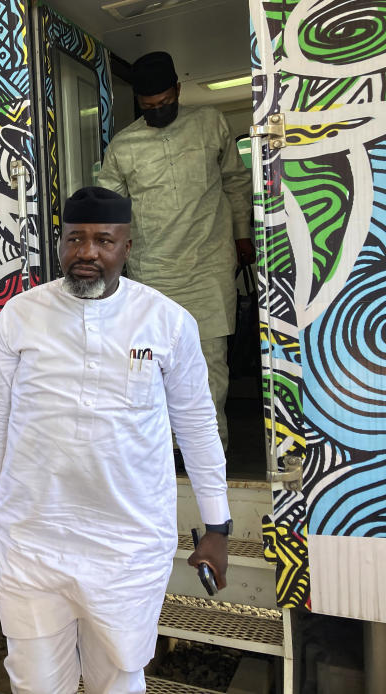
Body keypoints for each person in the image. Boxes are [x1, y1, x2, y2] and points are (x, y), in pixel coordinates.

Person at [0, 187, 231, 694]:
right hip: (31, 541)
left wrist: (217, 524)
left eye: (103, 241)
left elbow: (196, 424)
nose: (87, 253)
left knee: (118, 681)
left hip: (127, 546)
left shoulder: (168, 323)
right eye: (75, 239)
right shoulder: (19, 316)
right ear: (60, 245)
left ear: (127, 248)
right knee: (35, 684)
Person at [96, 50, 253, 452]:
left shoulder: (211, 124)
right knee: (155, 368)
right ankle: (168, 452)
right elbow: (111, 213)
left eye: (165, 104)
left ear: (178, 90)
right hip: (154, 272)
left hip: (208, 267)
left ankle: (209, 449)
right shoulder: (123, 146)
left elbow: (235, 182)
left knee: (209, 363)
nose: (159, 111)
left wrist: (242, 234)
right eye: (149, 108)